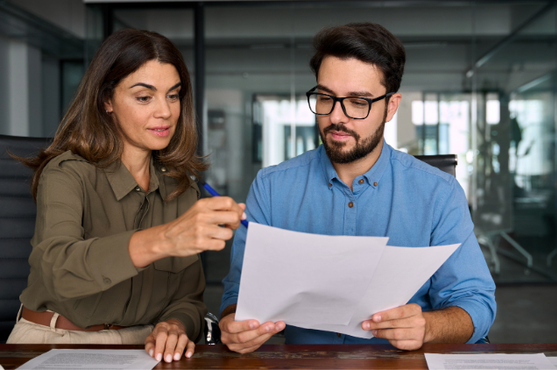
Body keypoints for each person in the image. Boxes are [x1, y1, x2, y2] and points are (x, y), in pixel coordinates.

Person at [219, 22, 496, 353]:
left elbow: (475, 303)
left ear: (391, 106)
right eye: (326, 97)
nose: (337, 117)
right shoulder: (272, 187)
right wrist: (234, 323)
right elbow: (238, 294)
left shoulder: (439, 193)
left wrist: (429, 327)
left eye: (358, 102)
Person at [7, 28, 246, 364]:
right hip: (58, 340)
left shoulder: (182, 189)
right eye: (144, 97)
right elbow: (58, 270)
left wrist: (175, 324)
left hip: (143, 345)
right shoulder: (66, 173)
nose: (165, 111)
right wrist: (165, 238)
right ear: (107, 100)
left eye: (173, 95)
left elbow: (189, 299)